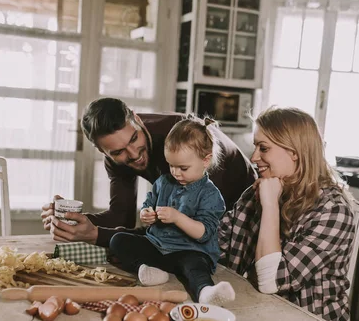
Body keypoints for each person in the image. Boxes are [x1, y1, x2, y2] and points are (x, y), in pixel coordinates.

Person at [41, 98, 257, 246]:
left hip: (247, 213)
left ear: (137, 118)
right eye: (118, 152)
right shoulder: (116, 160)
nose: (133, 154)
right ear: (102, 151)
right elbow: (122, 217)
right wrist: (72, 220)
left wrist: (95, 235)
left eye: (134, 138)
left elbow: (174, 234)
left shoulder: (180, 140)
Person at [219, 107, 355, 321]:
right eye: (255, 147)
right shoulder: (257, 193)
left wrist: (270, 205)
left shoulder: (334, 210)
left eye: (263, 148)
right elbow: (216, 244)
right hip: (260, 316)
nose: (254, 157)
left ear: (295, 152)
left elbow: (269, 280)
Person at [109, 116, 235, 305]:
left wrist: (177, 217)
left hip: (190, 250)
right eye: (171, 165)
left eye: (183, 167)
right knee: (118, 240)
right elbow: (148, 203)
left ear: (205, 160)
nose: (176, 173)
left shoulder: (210, 194)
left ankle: (205, 292)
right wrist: (146, 214)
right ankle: (153, 271)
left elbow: (203, 233)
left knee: (195, 266)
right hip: (158, 247)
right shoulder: (164, 182)